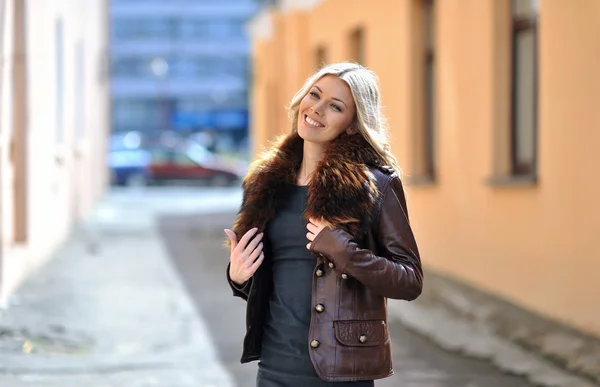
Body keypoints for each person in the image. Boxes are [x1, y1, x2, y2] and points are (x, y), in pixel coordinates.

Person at [224, 62, 423, 386]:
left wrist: (343, 250)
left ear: (351, 125)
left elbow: (410, 280)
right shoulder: (264, 184)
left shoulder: (375, 185)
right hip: (274, 368)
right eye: (314, 95)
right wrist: (238, 275)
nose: (316, 109)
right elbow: (268, 279)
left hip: (342, 372)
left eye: (335, 106)